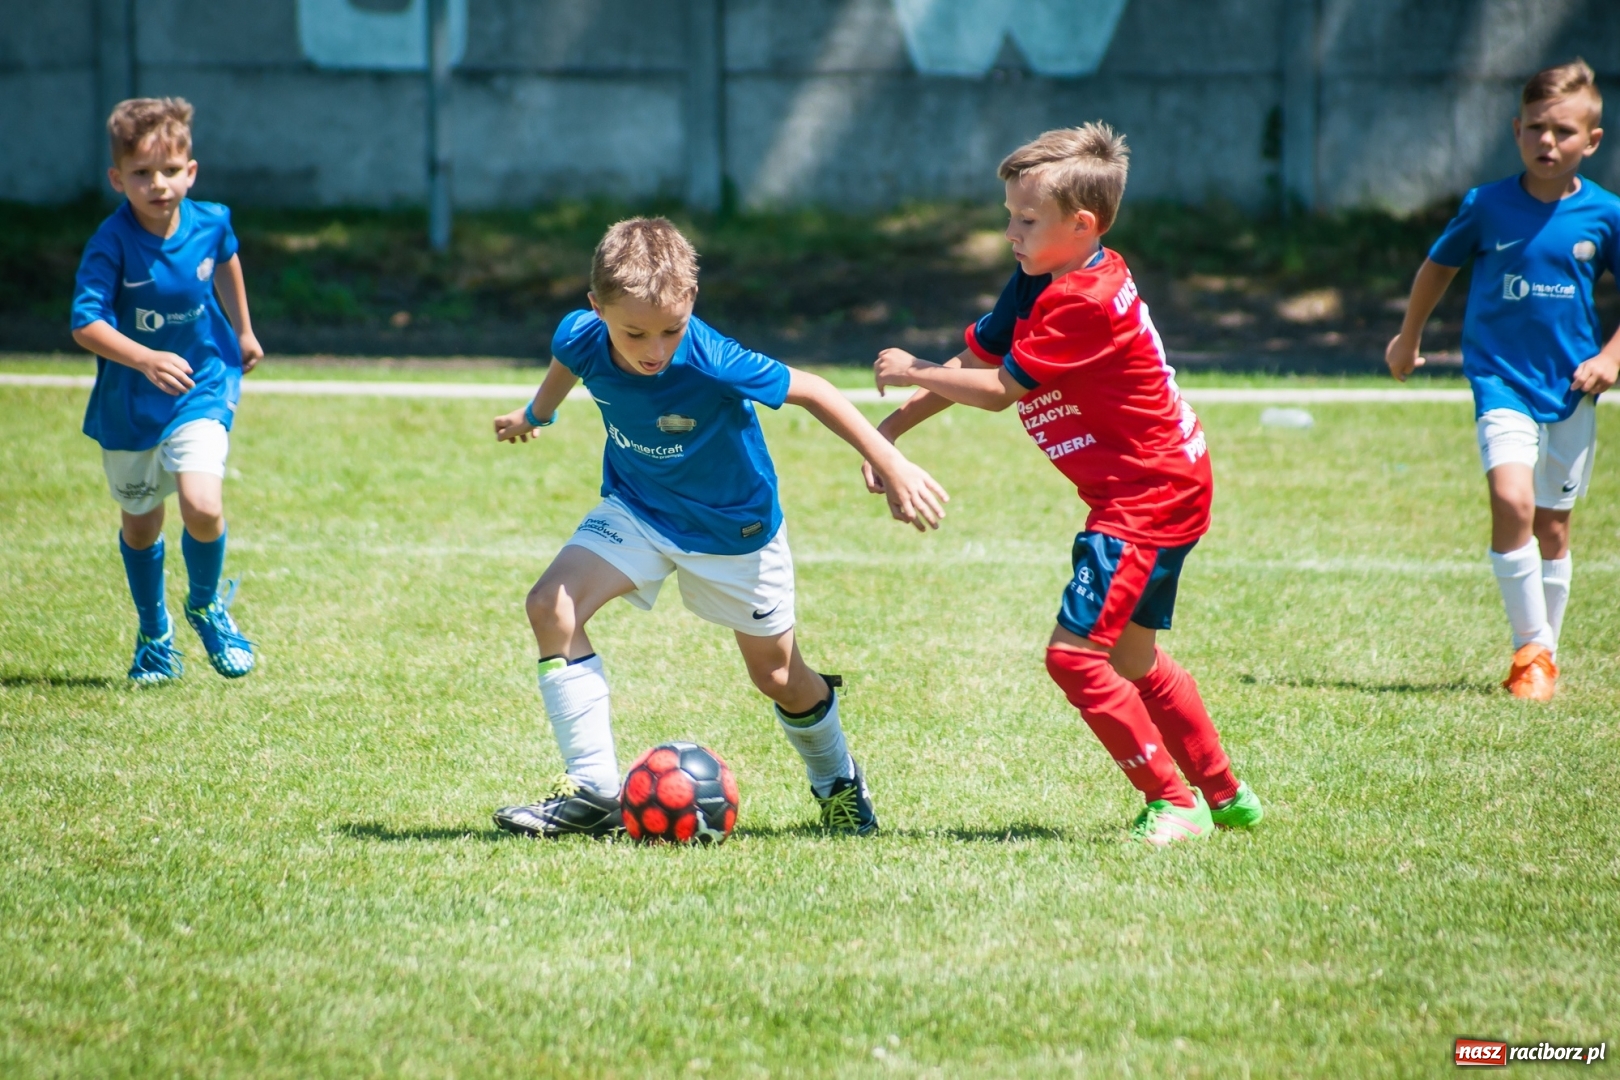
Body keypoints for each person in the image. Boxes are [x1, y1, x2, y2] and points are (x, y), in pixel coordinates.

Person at [864, 124, 1262, 846]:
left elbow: (996, 389)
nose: (1010, 232)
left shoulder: (1083, 299)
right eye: (1009, 216)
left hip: (1148, 494)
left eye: (1026, 220)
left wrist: (912, 369)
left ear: (1083, 227)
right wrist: (893, 429)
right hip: (1163, 481)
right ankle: (1226, 794)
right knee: (1133, 658)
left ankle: (1174, 802)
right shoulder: (1045, 276)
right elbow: (977, 357)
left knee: (1073, 657)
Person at [490, 218, 948, 838]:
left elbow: (813, 391)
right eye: (634, 334)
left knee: (778, 677)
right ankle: (593, 791)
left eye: (670, 330)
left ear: (691, 306)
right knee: (551, 605)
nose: (655, 351)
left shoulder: (709, 357)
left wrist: (891, 461)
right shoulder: (580, 335)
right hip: (639, 507)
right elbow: (566, 364)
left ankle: (837, 779)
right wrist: (535, 414)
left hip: (734, 530)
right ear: (595, 310)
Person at [1386, 59, 1620, 701]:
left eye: (1565, 132)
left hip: (1572, 387)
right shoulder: (1486, 205)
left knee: (1553, 527)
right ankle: (1532, 652)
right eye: (1537, 129)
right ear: (1517, 130)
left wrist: (1611, 357)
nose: (1549, 143)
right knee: (1513, 502)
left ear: (1592, 141)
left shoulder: (1606, 214)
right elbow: (1438, 268)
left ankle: (1546, 647)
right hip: (1501, 381)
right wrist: (1408, 338)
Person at [70, 97, 263, 685]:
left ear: (191, 170)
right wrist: (145, 357)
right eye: (141, 174)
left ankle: (205, 607)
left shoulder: (212, 221)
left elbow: (225, 259)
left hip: (201, 383)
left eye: (170, 171)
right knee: (141, 524)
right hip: (130, 407)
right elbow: (86, 323)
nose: (158, 185)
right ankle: (154, 634)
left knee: (203, 506)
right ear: (116, 179)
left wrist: (245, 330)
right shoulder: (111, 243)